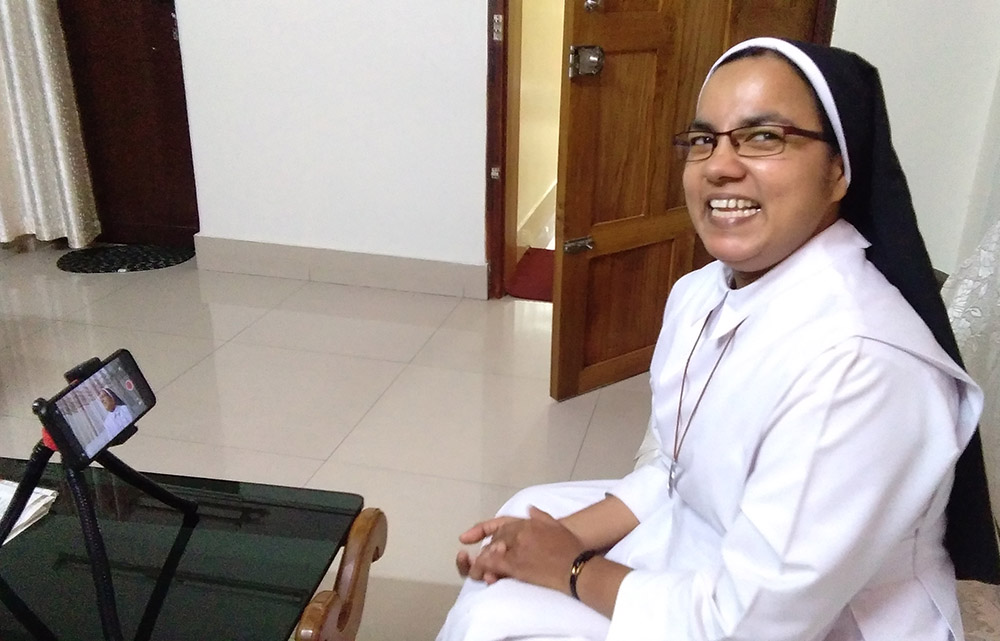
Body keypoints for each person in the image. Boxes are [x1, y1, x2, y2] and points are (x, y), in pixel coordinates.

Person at [436, 37, 1000, 641]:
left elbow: (752, 623)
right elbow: (675, 473)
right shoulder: (701, 293)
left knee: (497, 624)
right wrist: (558, 540)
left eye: (763, 137)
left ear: (838, 171)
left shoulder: (859, 364)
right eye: (704, 139)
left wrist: (570, 567)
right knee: (522, 518)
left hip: (817, 621)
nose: (719, 165)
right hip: (702, 547)